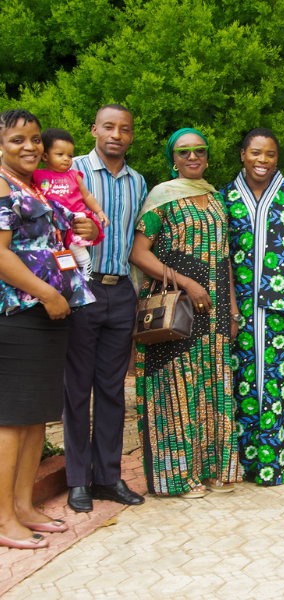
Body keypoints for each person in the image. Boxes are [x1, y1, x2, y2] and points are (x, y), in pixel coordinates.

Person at [0, 109, 98, 549]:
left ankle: (23, 506)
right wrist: (47, 293)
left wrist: (80, 225)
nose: (29, 146)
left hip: (49, 315)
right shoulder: (1, 185)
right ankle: (3, 520)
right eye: (18, 139)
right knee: (12, 421)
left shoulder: (33, 184)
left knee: (36, 418)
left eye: (35, 139)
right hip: (20, 315)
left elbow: (51, 238)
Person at [129, 128, 241, 497]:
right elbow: (139, 254)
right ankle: (175, 478)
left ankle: (213, 470)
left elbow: (223, 258)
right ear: (172, 159)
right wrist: (186, 284)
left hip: (216, 310)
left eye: (199, 151)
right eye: (183, 152)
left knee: (213, 387)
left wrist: (233, 310)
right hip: (175, 309)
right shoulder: (161, 199)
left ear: (207, 156)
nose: (192, 157)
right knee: (176, 387)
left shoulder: (216, 199)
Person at [220, 128, 284, 486]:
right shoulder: (223, 199)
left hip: (282, 311)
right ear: (242, 154)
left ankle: (283, 462)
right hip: (239, 312)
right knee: (241, 382)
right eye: (256, 153)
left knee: (281, 384)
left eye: (270, 154)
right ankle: (241, 464)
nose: (262, 160)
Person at [63, 104, 147, 513]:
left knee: (113, 391)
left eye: (125, 129)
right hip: (82, 289)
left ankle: (108, 478)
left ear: (132, 136)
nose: (117, 134)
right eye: (109, 127)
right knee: (77, 390)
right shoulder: (69, 172)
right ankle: (78, 480)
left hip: (121, 293)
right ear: (94, 128)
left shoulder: (138, 181)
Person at [33, 128, 109, 278]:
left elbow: (87, 196)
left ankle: (85, 268)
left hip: (75, 217)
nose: (66, 159)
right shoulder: (37, 174)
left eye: (70, 155)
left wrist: (99, 211)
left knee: (76, 245)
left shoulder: (74, 175)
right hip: (52, 219)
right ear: (45, 156)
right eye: (60, 154)